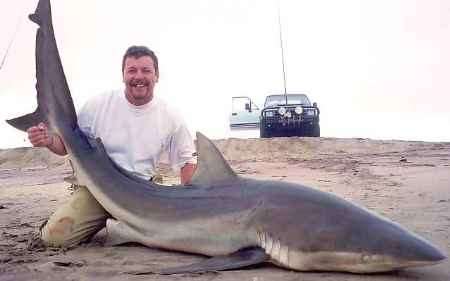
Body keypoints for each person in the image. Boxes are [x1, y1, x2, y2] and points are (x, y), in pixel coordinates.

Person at [26, 45, 197, 248]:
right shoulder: (98, 106)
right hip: (98, 190)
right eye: (132, 70)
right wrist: (48, 141)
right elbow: (67, 145)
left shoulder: (170, 115)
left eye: (146, 70)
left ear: (157, 75)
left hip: (145, 191)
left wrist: (194, 204)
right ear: (123, 75)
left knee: (181, 237)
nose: (139, 76)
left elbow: (188, 161)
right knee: (54, 239)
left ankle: (118, 226)